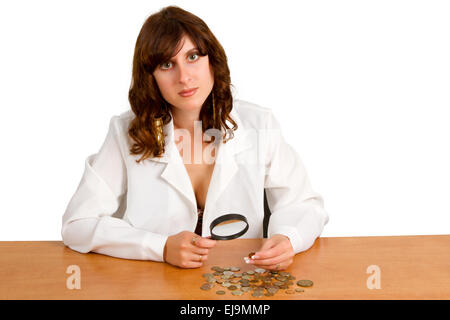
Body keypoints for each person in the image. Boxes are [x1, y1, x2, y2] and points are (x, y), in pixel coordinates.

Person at [61, 6, 329, 270]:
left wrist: (287, 238)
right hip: (153, 285)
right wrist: (160, 246)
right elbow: (77, 224)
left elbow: (304, 204)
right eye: (167, 64)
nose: (184, 77)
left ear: (212, 59)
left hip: (240, 282)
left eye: (193, 57)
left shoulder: (259, 124)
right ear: (150, 77)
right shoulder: (124, 132)